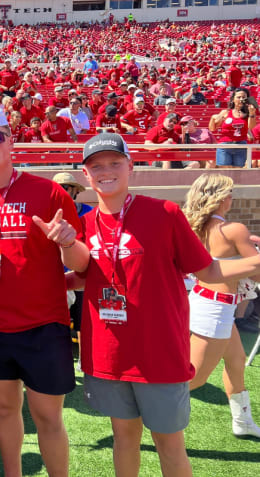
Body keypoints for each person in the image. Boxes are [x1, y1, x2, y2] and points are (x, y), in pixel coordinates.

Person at [72, 133, 260, 477]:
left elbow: (209, 269)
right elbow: (90, 276)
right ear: (86, 175)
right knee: (124, 437)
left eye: (115, 163)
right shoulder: (85, 225)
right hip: (110, 353)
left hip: (159, 354)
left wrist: (253, 265)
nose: (106, 171)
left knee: (169, 444)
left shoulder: (165, 213)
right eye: (96, 166)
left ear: (131, 166)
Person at [0, 106, 84, 477]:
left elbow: (83, 265)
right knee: (3, 410)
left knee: (47, 418)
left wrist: (67, 242)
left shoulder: (47, 192)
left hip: (43, 325)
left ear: (10, 141)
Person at [183, 174, 260, 438]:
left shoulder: (194, 225)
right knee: (194, 379)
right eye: (229, 193)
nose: (231, 198)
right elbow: (257, 272)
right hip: (215, 309)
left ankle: (243, 421)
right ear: (219, 198)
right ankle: (136, 414)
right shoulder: (234, 230)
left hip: (205, 301)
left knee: (236, 361)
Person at [209, 87, 256, 168]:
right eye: (238, 97)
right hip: (225, 145)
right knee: (225, 172)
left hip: (241, 145)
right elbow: (212, 128)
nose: (241, 99)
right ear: (233, 99)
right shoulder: (225, 112)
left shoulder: (248, 114)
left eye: (244, 97)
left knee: (238, 172)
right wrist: (212, 118)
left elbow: (251, 127)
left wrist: (252, 113)